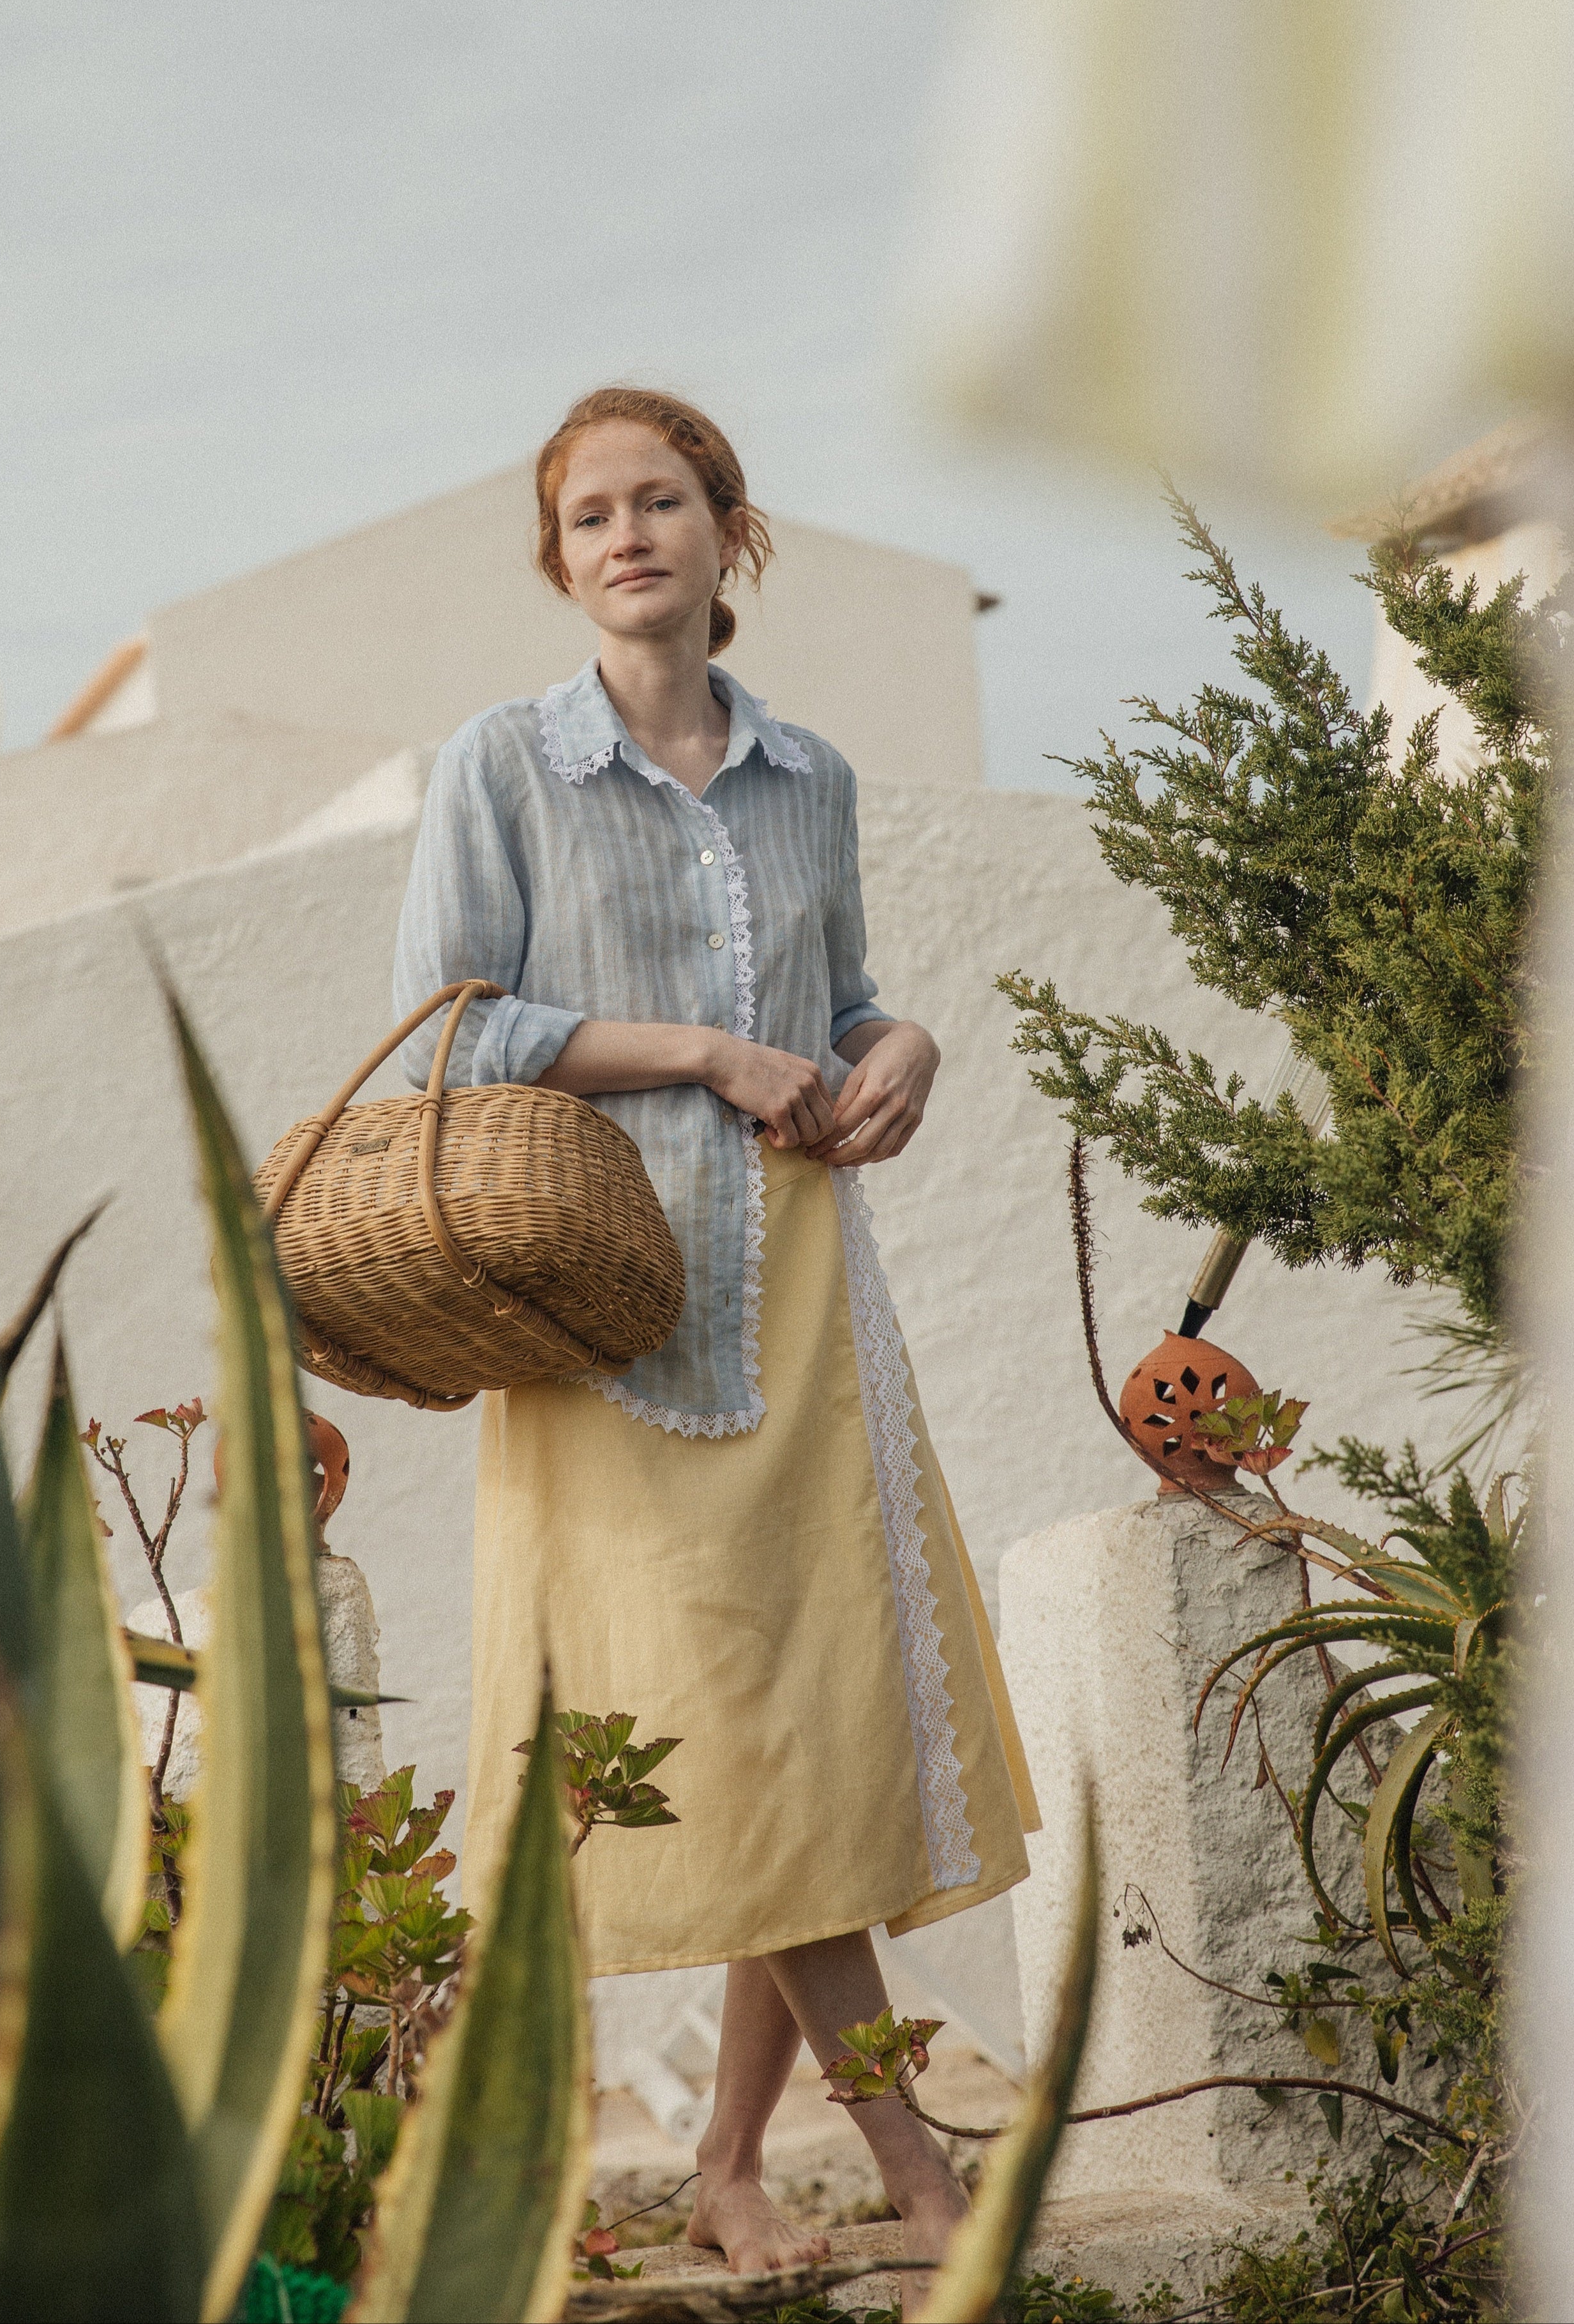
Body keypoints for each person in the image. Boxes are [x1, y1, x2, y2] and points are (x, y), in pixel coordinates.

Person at [393, 386, 1038, 2280]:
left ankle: (731, 2165)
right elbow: (451, 1027)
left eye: (658, 500)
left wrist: (902, 1043)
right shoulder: (501, 765)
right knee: (731, 1732)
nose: (626, 535)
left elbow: (837, 1010)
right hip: (607, 1308)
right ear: (558, 557)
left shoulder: (808, 776)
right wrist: (696, 1050)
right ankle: (915, 2167)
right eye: (589, 514)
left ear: (724, 527)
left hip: (805, 1289)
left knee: (810, 1737)